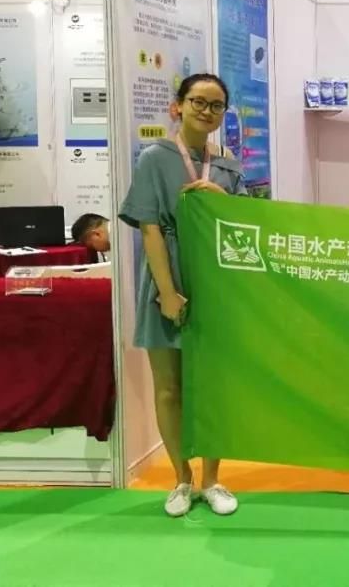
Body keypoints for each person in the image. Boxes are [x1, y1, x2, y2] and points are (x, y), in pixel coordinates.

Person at [118, 73, 245, 519]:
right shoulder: (154, 158)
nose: (207, 111)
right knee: (169, 387)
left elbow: (243, 226)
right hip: (165, 280)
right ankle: (181, 478)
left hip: (214, 281)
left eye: (216, 105)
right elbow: (150, 228)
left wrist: (219, 197)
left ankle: (212, 479)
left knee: (212, 387)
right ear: (179, 105)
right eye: (198, 101)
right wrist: (168, 292)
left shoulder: (228, 165)